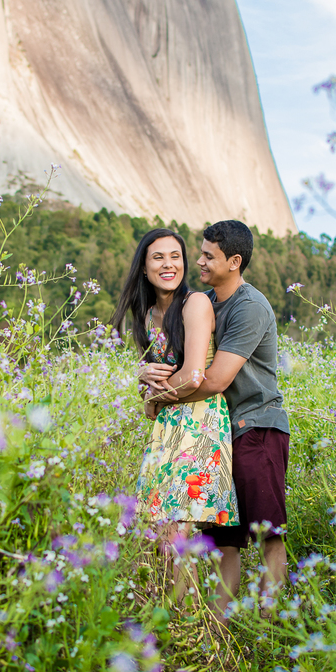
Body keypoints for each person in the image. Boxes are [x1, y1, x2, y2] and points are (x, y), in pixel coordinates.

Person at [145, 220, 290, 621]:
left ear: (235, 262)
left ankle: (269, 626)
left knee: (267, 532)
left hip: (256, 426)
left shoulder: (249, 306)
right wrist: (146, 379)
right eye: (202, 252)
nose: (201, 261)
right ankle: (219, 626)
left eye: (209, 255)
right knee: (223, 535)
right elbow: (172, 364)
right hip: (219, 432)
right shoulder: (202, 302)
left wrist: (160, 396)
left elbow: (213, 380)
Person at [110, 228, 239, 597]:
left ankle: (188, 624)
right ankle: (171, 620)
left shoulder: (195, 303)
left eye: (175, 256)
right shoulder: (150, 314)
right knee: (157, 534)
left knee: (175, 537)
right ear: (144, 267)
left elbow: (193, 374)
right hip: (168, 425)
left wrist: (153, 399)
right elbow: (154, 379)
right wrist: (142, 378)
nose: (169, 264)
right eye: (158, 257)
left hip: (199, 422)